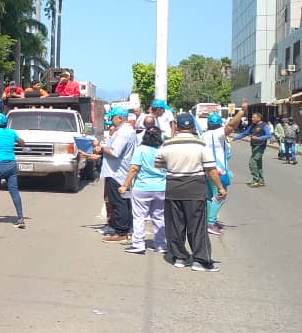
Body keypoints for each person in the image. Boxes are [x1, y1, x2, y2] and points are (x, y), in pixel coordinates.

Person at [155, 114, 226, 272]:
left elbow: (158, 163)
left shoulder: (167, 144)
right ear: (193, 127)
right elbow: (210, 169)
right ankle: (200, 260)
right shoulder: (200, 144)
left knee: (175, 225)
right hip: (195, 188)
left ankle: (180, 257)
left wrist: (173, 165)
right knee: (197, 226)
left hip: (173, 188)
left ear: (177, 127)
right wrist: (220, 187)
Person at [117, 126, 166, 254]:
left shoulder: (141, 150)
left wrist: (125, 185)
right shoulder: (162, 149)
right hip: (161, 187)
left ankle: (138, 244)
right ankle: (161, 244)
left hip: (143, 187)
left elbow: (134, 168)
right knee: (159, 216)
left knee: (139, 217)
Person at [94, 107, 137, 243]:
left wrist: (101, 149)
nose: (111, 119)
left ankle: (121, 232)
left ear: (119, 117)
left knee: (119, 202)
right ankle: (125, 228)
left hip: (117, 172)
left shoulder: (123, 132)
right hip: (119, 171)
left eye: (112, 117)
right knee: (123, 201)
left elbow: (115, 152)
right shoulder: (124, 130)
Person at [202, 105, 245, 236]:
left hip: (207, 170)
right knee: (221, 196)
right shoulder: (218, 134)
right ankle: (210, 222)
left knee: (210, 197)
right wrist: (242, 111)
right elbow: (231, 125)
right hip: (218, 171)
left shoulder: (205, 134)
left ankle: (207, 220)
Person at [232, 111, 272, 187]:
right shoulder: (252, 125)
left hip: (260, 146)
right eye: (252, 117)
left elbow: (268, 135)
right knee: (258, 163)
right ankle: (261, 180)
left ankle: (256, 180)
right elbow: (244, 133)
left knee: (252, 162)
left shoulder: (264, 125)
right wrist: (234, 138)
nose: (252, 118)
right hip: (253, 146)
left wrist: (259, 138)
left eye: (254, 117)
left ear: (259, 118)